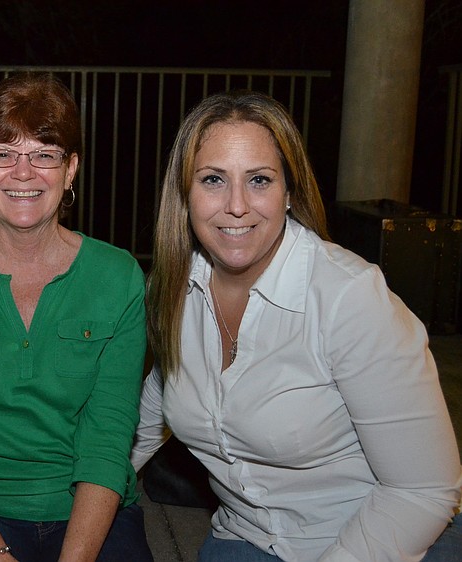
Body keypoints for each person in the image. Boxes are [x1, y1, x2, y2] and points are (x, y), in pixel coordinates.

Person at [131, 90, 462, 561]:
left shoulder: (351, 298)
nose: (237, 205)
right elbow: (152, 411)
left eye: (260, 180)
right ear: (184, 196)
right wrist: (91, 493)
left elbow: (423, 491)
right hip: (245, 536)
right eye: (212, 180)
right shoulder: (175, 290)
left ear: (289, 191)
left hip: (377, 538)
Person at [0, 72, 153, 562]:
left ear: (71, 168)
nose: (24, 173)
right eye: (2, 154)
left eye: (45, 154)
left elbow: (109, 431)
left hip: (89, 507)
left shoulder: (118, 276)